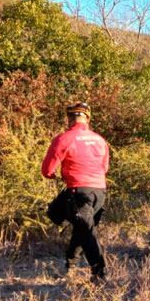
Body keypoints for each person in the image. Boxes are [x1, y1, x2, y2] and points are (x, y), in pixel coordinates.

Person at [42, 102, 110, 281]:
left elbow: (47, 170)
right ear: (87, 118)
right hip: (100, 191)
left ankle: (100, 274)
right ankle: (70, 265)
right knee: (82, 227)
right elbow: (105, 167)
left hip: (79, 191)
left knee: (85, 231)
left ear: (69, 118)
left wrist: (54, 176)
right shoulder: (100, 140)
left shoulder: (64, 138)